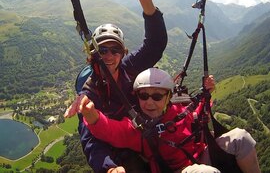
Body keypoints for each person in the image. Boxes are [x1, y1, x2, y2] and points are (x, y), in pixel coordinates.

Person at [64, 0, 168, 173]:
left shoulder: (129, 67)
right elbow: (90, 139)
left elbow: (155, 45)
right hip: (120, 153)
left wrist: (147, 3)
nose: (109, 56)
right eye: (103, 50)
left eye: (115, 50)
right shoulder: (90, 93)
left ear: (122, 53)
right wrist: (109, 168)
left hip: (141, 137)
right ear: (93, 55)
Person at [80, 67, 261, 173]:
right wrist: (92, 115)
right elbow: (111, 130)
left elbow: (199, 112)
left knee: (241, 137)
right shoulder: (138, 129)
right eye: (143, 96)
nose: (149, 102)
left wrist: (208, 91)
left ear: (168, 97)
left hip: (201, 156)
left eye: (157, 96)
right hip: (178, 170)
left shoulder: (179, 110)